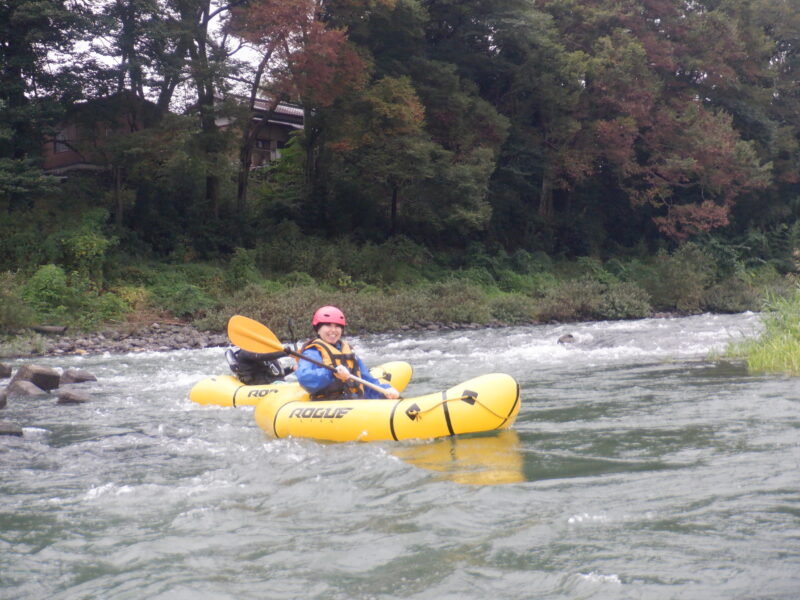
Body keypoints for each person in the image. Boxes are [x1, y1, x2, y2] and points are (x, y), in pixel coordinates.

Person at [295, 305, 400, 400]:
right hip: (327, 404)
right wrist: (332, 373)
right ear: (318, 329)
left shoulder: (349, 352)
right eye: (328, 325)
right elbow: (305, 379)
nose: (333, 330)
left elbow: (366, 380)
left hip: (353, 402)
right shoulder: (312, 352)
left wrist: (384, 391)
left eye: (337, 326)